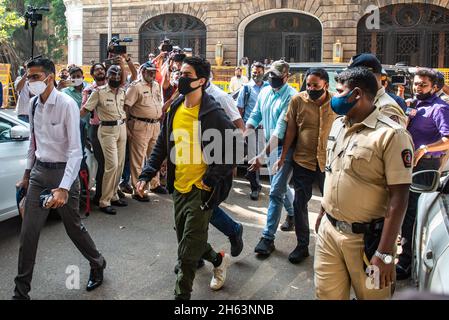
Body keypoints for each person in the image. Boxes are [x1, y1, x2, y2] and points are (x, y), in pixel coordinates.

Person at [136, 57, 236, 300]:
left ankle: (182, 297)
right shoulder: (176, 106)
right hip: (178, 187)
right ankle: (217, 259)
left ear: (201, 80)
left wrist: (211, 180)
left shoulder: (213, 113)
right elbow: (162, 144)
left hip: (200, 190)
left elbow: (233, 149)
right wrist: (146, 173)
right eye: (179, 72)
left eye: (186, 74)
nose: (179, 77)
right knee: (187, 240)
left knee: (187, 256)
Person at [314, 67, 413, 300]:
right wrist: (323, 211)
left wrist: (385, 253)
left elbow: (399, 198)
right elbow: (333, 172)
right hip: (329, 232)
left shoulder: (392, 135)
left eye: (339, 91)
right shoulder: (339, 124)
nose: (334, 97)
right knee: (325, 295)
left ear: (356, 94)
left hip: (368, 243)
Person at [13, 57, 106, 300]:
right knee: (28, 234)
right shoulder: (34, 104)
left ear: (49, 77)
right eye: (28, 76)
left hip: (65, 174)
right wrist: (26, 174)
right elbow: (34, 142)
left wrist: (64, 188)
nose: (30, 81)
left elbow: (76, 150)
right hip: (39, 174)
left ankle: (97, 262)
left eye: (34, 77)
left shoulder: (66, 104)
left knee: (72, 227)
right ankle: (20, 292)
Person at [273, 68, 336, 264]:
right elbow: (291, 129)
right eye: (308, 85)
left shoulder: (337, 103)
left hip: (329, 163)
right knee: (300, 203)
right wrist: (283, 157)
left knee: (333, 205)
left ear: (325, 84)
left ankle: (332, 246)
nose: (311, 88)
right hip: (303, 161)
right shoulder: (298, 101)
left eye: (315, 86)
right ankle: (302, 246)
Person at [397, 68, 449, 280]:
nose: (417, 88)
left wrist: (425, 149)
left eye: (423, 85)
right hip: (407, 166)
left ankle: (406, 264)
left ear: (435, 87)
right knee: (403, 211)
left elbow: (447, 140)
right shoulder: (416, 104)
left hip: (425, 168)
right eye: (416, 84)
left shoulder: (440, 108)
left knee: (412, 215)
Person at [245, 60, 297, 256]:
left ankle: (268, 238)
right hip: (270, 145)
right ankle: (291, 215)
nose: (272, 79)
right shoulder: (266, 91)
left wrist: (261, 156)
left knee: (275, 191)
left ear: (286, 77)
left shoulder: (291, 97)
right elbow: (256, 113)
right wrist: (246, 131)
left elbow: (279, 130)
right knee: (280, 186)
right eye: (270, 76)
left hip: (285, 148)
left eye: (276, 77)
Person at [81, 64, 128, 215]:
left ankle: (113, 195)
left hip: (122, 128)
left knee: (119, 165)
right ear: (107, 77)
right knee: (111, 165)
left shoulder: (122, 92)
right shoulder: (98, 92)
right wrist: (68, 121)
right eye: (112, 75)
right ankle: (104, 201)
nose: (115, 78)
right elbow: (85, 110)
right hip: (106, 130)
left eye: (118, 75)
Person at [125, 61, 167, 202]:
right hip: (139, 124)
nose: (152, 74)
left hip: (155, 125)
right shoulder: (135, 87)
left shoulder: (155, 85)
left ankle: (155, 184)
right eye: (149, 71)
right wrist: (127, 127)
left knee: (154, 156)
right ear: (142, 72)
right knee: (138, 158)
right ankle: (138, 189)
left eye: (154, 71)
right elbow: (126, 108)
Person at [237, 61, 269, 201]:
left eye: (259, 72)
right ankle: (255, 187)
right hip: (250, 128)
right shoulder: (246, 88)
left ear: (264, 72)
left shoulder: (269, 88)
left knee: (261, 156)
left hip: (266, 128)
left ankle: (251, 176)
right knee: (253, 156)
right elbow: (239, 109)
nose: (256, 75)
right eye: (254, 73)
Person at [348, 53, 407, 127]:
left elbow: (394, 137)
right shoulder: (364, 100)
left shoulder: (387, 108)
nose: (350, 82)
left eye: (354, 77)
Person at [82, 63, 107, 206]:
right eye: (97, 70)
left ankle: (112, 191)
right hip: (96, 129)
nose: (100, 71)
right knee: (102, 162)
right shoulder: (88, 90)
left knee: (113, 163)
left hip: (113, 129)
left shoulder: (112, 88)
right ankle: (99, 195)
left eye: (102, 69)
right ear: (92, 74)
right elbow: (84, 111)